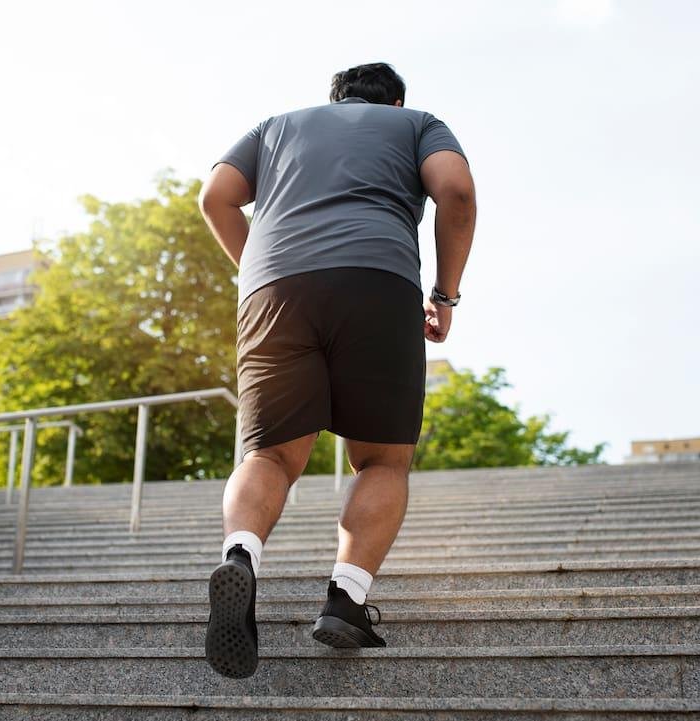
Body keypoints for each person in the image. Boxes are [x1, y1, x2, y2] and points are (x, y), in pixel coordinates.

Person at [198, 62, 476, 679]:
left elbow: (215, 197)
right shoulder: (417, 124)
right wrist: (444, 296)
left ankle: (240, 558)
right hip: (377, 283)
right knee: (381, 460)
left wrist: (260, 268)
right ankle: (346, 599)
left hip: (275, 291)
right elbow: (456, 192)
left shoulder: (275, 127)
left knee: (268, 456)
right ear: (394, 102)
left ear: (334, 99)